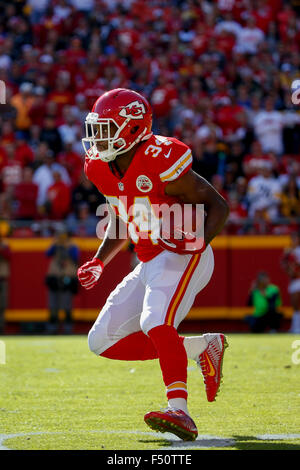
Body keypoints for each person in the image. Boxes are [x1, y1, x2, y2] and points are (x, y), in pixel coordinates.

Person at [77, 88, 230, 441]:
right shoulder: (99, 166)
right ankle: (202, 347)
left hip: (182, 253)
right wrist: (100, 260)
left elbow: (217, 204)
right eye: (96, 128)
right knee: (101, 341)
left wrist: (195, 242)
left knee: (155, 320)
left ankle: (180, 410)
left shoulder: (160, 157)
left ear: (132, 129)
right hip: (147, 258)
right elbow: (124, 217)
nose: (98, 137)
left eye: (107, 128)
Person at [45, 230, 79, 334]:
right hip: (54, 278)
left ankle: (68, 329)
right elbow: (47, 253)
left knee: (67, 305)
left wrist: (66, 248)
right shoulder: (55, 245)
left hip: (67, 278)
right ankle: (52, 328)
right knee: (53, 305)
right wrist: (56, 244)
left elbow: (75, 257)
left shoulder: (73, 246)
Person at [281, 231, 300, 334]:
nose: (293, 241)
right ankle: (295, 327)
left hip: (298, 279)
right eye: (292, 239)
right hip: (293, 281)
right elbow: (283, 264)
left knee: (297, 304)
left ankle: (297, 328)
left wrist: (294, 269)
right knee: (295, 306)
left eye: (295, 238)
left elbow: (296, 267)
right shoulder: (289, 251)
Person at [0, 229, 11, 335]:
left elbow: (8, 256)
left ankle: (1, 327)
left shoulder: (4, 245)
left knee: (2, 304)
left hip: (2, 278)